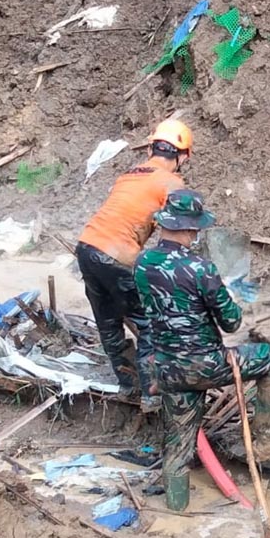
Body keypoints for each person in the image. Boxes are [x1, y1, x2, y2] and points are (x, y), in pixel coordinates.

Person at [134, 190, 270, 512]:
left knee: (178, 446)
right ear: (191, 228)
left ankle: (176, 511)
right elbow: (230, 322)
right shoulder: (200, 268)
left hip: (168, 370)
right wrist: (229, 295)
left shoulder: (142, 263)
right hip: (207, 364)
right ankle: (269, 439)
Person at [76, 120, 190, 406]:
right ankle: (152, 395)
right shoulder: (172, 183)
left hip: (87, 247)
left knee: (108, 322)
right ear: (183, 156)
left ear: (151, 149)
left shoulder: (128, 175)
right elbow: (176, 231)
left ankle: (128, 384)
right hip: (117, 255)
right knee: (150, 323)